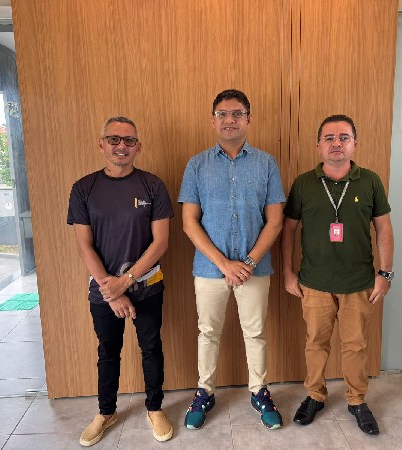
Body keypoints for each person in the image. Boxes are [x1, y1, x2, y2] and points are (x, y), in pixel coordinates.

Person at [178, 89, 285, 430]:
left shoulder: (266, 163)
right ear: (213, 120)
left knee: (255, 333)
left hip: (256, 268)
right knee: (208, 332)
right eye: (222, 114)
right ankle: (205, 392)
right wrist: (224, 264)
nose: (229, 120)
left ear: (248, 119)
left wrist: (248, 262)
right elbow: (189, 222)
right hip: (210, 269)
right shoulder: (197, 165)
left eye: (237, 113)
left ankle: (259, 391)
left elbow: (275, 221)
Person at [281, 114, 394, 435]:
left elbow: (384, 228)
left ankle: (357, 400)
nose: (336, 143)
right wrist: (288, 272)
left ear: (354, 144)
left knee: (355, 345)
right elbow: (288, 229)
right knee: (315, 342)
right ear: (318, 146)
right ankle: (315, 395)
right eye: (329, 138)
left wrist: (385, 273)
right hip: (313, 282)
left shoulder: (370, 181)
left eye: (343, 137)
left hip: (358, 283)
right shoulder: (304, 183)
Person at [67, 117, 174, 446]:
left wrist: (125, 282)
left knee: (151, 347)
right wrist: (111, 291)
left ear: (138, 147)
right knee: (108, 351)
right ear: (102, 144)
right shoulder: (84, 188)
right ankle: (106, 412)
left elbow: (160, 243)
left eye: (129, 141)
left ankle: (154, 408)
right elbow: (84, 245)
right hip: (103, 290)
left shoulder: (153, 185)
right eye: (114, 139)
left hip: (147, 285)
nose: (121, 146)